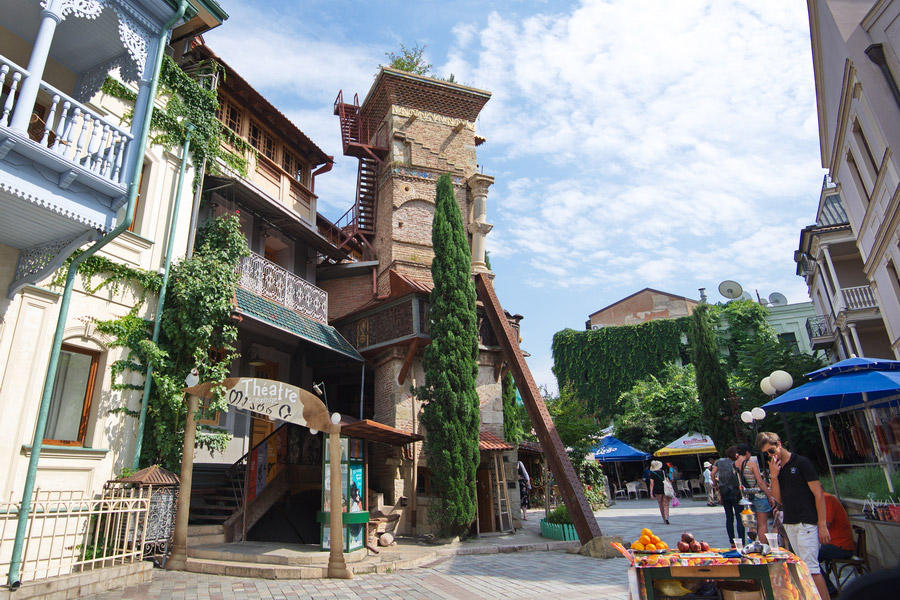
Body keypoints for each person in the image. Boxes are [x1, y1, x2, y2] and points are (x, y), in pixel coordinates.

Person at [756, 431, 831, 600]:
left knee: (810, 567)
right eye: (766, 454)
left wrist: (822, 524)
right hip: (790, 521)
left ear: (779, 444)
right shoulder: (776, 468)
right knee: (800, 566)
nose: (770, 455)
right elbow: (778, 498)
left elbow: (818, 494)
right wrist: (774, 476)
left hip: (807, 521)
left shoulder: (801, 463)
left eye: (771, 451)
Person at [735, 443, 776, 542]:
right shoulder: (751, 463)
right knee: (762, 524)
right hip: (758, 495)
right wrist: (770, 496)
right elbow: (760, 482)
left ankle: (753, 544)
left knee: (751, 524)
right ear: (747, 452)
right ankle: (763, 546)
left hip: (746, 496)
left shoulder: (735, 464)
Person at [819, 492, 854, 596]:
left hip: (840, 546)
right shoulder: (823, 499)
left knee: (808, 557)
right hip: (832, 543)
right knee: (806, 555)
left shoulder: (825, 499)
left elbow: (825, 524)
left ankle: (829, 590)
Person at [711, 446, 745, 545]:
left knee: (729, 517)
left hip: (724, 491)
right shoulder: (737, 462)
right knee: (739, 517)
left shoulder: (720, 461)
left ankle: (732, 541)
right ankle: (741, 541)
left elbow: (713, 473)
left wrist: (715, 485)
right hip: (736, 491)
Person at [648, 460, 670, 524]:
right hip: (665, 489)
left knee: (660, 504)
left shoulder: (652, 474)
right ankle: (666, 517)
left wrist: (651, 493)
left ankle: (663, 518)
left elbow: (651, 484)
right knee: (666, 504)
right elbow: (667, 480)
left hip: (657, 490)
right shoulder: (663, 472)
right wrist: (672, 489)